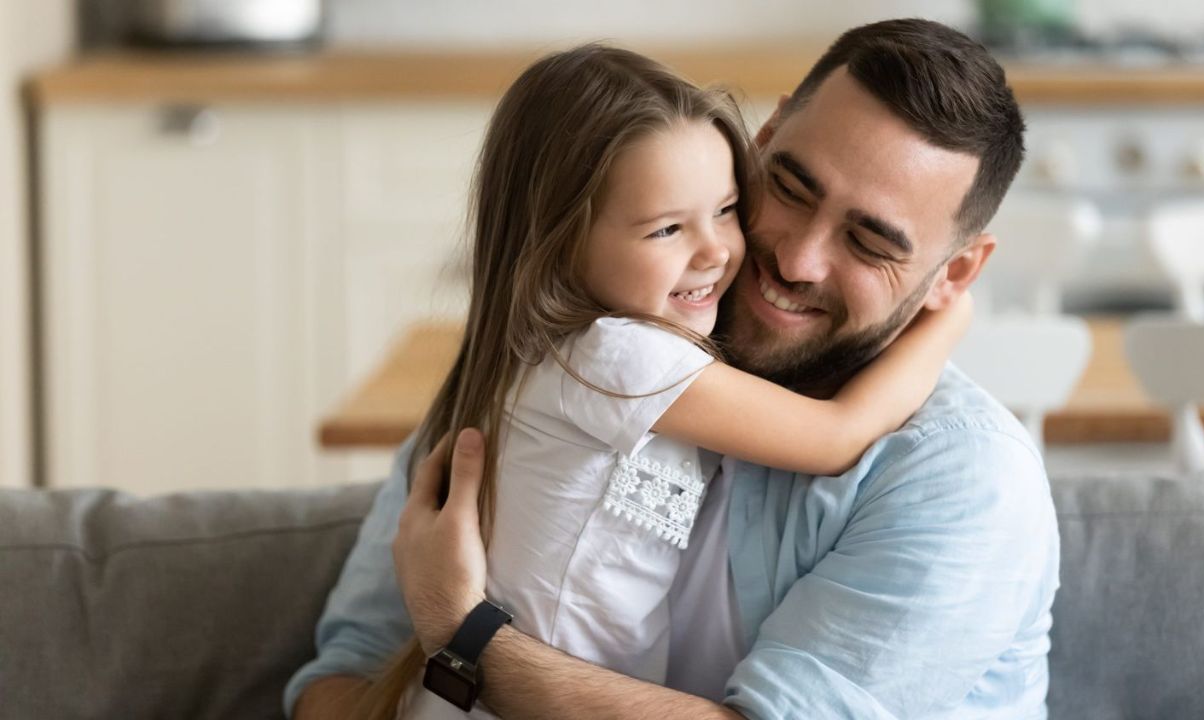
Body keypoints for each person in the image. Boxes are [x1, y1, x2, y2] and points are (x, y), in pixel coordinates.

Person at [288, 18, 1060, 720]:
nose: (793, 259)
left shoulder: (962, 475)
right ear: (761, 137)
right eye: (789, 187)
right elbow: (344, 679)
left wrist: (463, 633)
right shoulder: (554, 355)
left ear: (957, 274)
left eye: (870, 243)